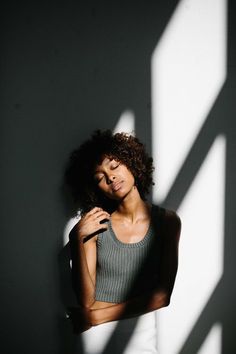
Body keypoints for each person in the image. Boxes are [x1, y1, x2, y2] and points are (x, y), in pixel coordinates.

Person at [65, 130, 181, 354]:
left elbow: (162, 296)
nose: (110, 177)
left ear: (131, 163)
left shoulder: (167, 222)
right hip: (95, 335)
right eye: (99, 177)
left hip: (137, 328)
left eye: (114, 166)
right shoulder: (96, 224)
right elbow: (86, 300)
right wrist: (75, 239)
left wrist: (95, 316)